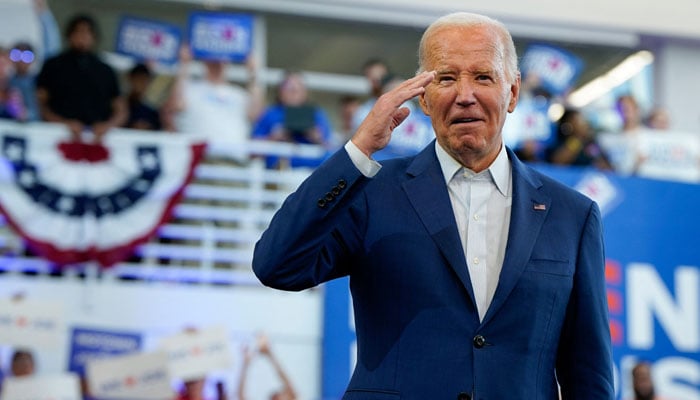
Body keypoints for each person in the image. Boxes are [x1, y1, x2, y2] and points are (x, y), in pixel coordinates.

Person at [253, 11, 613, 400]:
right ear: (422, 97)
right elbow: (277, 265)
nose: (464, 95)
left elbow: (588, 374)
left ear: (512, 93)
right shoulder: (370, 191)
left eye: (483, 76)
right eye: (446, 78)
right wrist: (358, 152)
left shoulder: (572, 215)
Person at [162, 44, 263, 163]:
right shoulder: (191, 89)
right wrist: (184, 65)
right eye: (214, 58)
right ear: (205, 61)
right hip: (200, 161)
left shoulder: (239, 95)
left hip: (234, 162)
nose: (218, 63)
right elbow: (175, 105)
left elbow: (256, 114)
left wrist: (252, 72)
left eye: (222, 59)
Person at [36, 13, 127, 143]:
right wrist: (62, 123)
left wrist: (108, 126)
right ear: (69, 35)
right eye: (78, 31)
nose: (82, 37)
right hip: (57, 137)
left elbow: (121, 109)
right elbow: (39, 103)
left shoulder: (106, 70)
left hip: (97, 140)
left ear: (94, 37)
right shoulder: (53, 65)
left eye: (87, 32)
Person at [252, 70, 333, 168]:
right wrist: (274, 137)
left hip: (313, 172)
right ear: (280, 91)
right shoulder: (270, 114)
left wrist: (316, 137)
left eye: (298, 88)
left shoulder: (316, 114)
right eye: (289, 88)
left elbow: (330, 147)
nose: (294, 92)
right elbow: (253, 151)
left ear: (305, 92)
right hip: (279, 173)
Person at [545, 108, 614, 170]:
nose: (584, 123)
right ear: (568, 125)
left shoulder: (590, 142)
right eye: (579, 120)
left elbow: (607, 167)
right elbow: (558, 162)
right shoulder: (559, 140)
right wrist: (578, 138)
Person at [237, 333, 297, 400]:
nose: (279, 397)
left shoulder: (292, 394)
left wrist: (270, 355)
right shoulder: (291, 394)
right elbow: (241, 396)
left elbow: (291, 389)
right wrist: (245, 365)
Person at [123, 62, 162, 131]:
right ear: (130, 79)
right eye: (138, 79)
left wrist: (148, 127)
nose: (141, 83)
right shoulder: (121, 107)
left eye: (144, 80)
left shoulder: (151, 111)